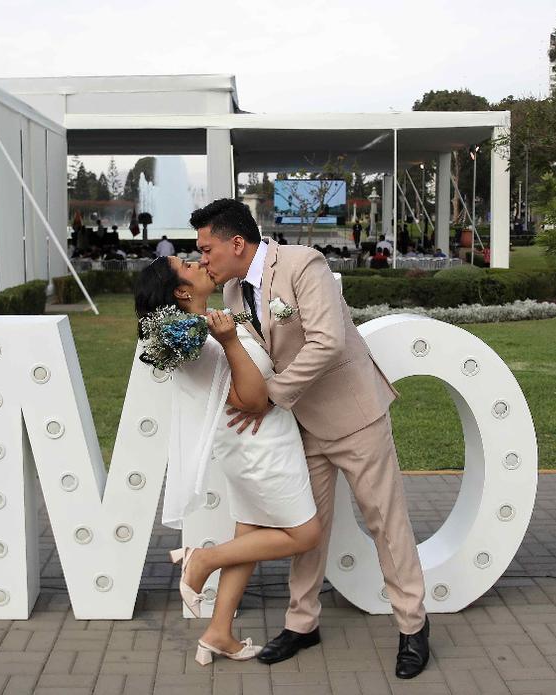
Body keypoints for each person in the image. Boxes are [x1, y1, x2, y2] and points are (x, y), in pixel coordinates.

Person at [195, 198, 430, 679]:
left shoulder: (303, 263)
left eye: (206, 249)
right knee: (304, 529)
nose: (202, 260)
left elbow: (328, 340)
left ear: (236, 243)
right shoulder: (234, 294)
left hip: (354, 416)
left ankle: (413, 625)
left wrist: (271, 397)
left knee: (386, 522)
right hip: (300, 428)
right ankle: (302, 624)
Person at [135, 256, 322, 666]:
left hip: (251, 446)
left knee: (249, 539)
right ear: (182, 291)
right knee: (305, 535)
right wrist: (233, 341)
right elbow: (252, 400)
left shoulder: (202, 328)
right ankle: (202, 558)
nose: (198, 261)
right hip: (262, 449)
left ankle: (218, 632)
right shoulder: (200, 340)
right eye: (186, 263)